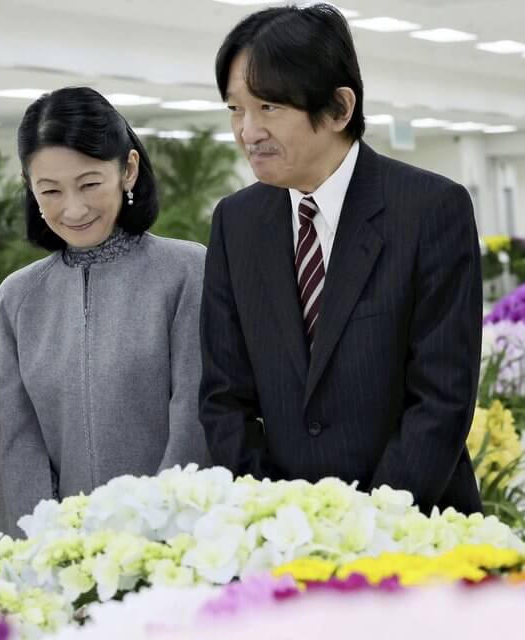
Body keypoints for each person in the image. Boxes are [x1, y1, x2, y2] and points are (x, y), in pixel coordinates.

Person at [199, 4, 483, 514]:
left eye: (268, 108)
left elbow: (441, 397)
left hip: (415, 529)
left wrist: (370, 527)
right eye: (235, 109)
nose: (247, 131)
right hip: (279, 538)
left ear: (337, 108)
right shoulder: (234, 223)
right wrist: (276, 518)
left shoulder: (430, 210)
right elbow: (224, 398)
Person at [0, 87, 210, 537]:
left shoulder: (187, 272)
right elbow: (16, 446)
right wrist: (45, 552)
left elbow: (194, 419)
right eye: (49, 190)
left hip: (175, 550)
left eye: (89, 183)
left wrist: (155, 541)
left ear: (128, 169)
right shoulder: (17, 298)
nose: (73, 208)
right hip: (62, 562)